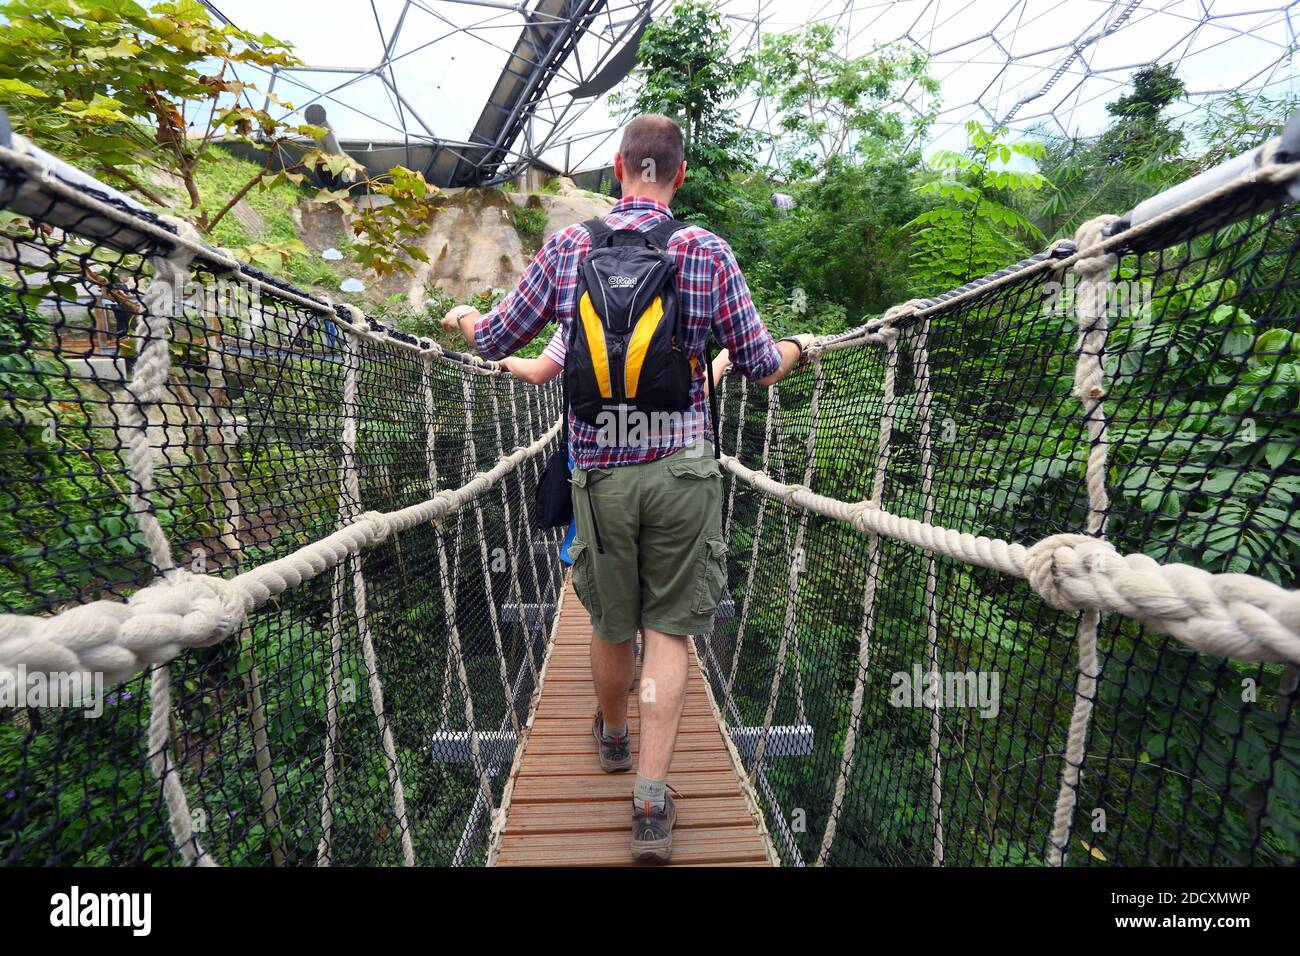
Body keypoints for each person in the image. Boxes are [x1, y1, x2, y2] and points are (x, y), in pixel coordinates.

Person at [442, 113, 804, 863]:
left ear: (616, 167)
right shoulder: (704, 249)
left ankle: (611, 736)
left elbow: (498, 339)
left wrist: (466, 318)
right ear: (678, 175)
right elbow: (762, 362)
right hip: (682, 472)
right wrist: (802, 347)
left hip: (599, 472)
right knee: (669, 630)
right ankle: (649, 799)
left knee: (611, 621)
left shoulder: (572, 244)